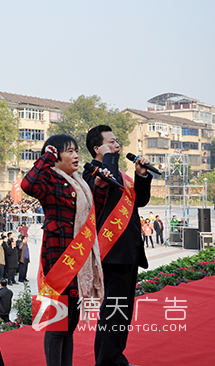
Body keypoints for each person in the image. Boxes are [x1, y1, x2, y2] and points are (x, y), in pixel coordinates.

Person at [22, 134, 109, 366]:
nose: (76, 155)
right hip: (59, 263)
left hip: (79, 266)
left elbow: (92, 218)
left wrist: (99, 187)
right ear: (55, 155)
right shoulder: (49, 181)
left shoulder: (80, 183)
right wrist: (44, 159)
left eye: (77, 150)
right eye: (70, 151)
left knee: (69, 327)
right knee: (57, 327)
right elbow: (27, 185)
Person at [83, 125, 152, 366]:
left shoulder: (121, 176)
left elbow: (139, 201)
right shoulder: (91, 174)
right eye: (111, 142)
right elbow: (103, 189)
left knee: (122, 312)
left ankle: (115, 357)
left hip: (129, 251)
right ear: (97, 148)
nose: (118, 146)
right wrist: (108, 159)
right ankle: (105, 362)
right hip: (111, 253)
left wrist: (141, 175)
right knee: (113, 312)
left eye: (117, 142)